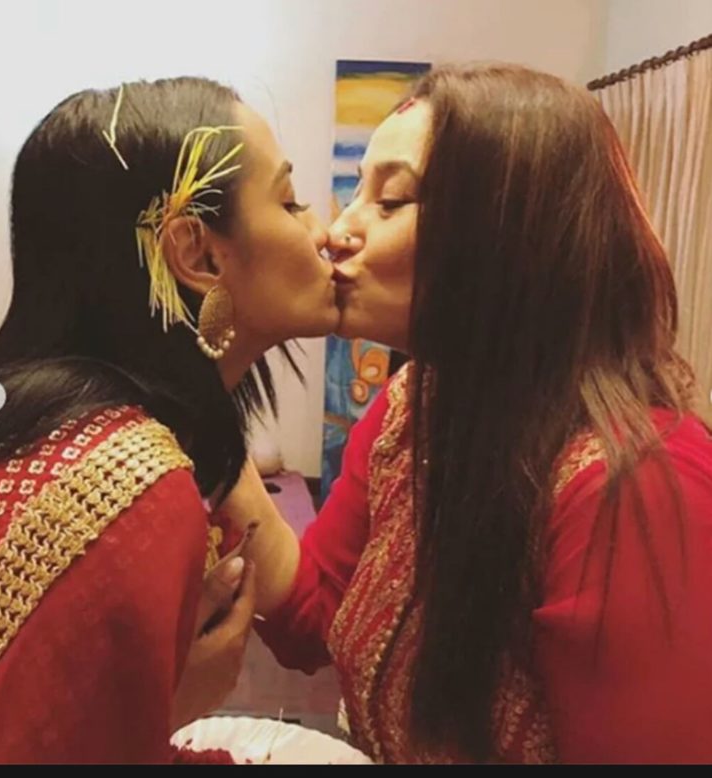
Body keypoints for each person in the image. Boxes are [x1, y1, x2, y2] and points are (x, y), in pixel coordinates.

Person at [214, 63, 712, 764]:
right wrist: (205, 390)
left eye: (390, 201)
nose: (337, 231)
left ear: (510, 235)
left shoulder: (633, 487)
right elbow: (313, 617)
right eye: (355, 195)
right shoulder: (412, 408)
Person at [0, 75, 338, 763]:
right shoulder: (133, 483)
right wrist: (165, 704)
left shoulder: (35, 418)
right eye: (290, 201)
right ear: (198, 254)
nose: (327, 231)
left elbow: (310, 621)